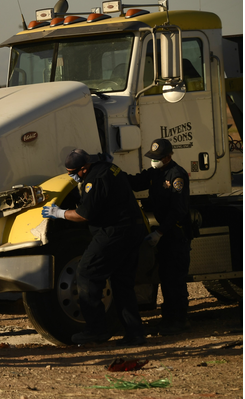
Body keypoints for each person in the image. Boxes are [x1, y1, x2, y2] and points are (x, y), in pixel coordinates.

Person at [42, 149, 146, 346]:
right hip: (132, 229)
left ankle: (95, 330)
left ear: (84, 168)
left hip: (114, 231)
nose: (71, 176)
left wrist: (59, 213)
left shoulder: (94, 180)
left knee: (87, 273)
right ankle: (135, 333)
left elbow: (83, 215)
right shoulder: (109, 168)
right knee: (122, 282)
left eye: (73, 172)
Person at [127, 138, 192, 335]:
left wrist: (159, 232)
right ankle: (168, 319)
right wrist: (113, 172)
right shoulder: (155, 173)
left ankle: (179, 321)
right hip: (165, 234)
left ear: (167, 157)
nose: (153, 161)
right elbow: (136, 183)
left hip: (176, 233)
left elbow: (177, 210)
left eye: (157, 158)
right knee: (165, 276)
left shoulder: (176, 175)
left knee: (175, 278)